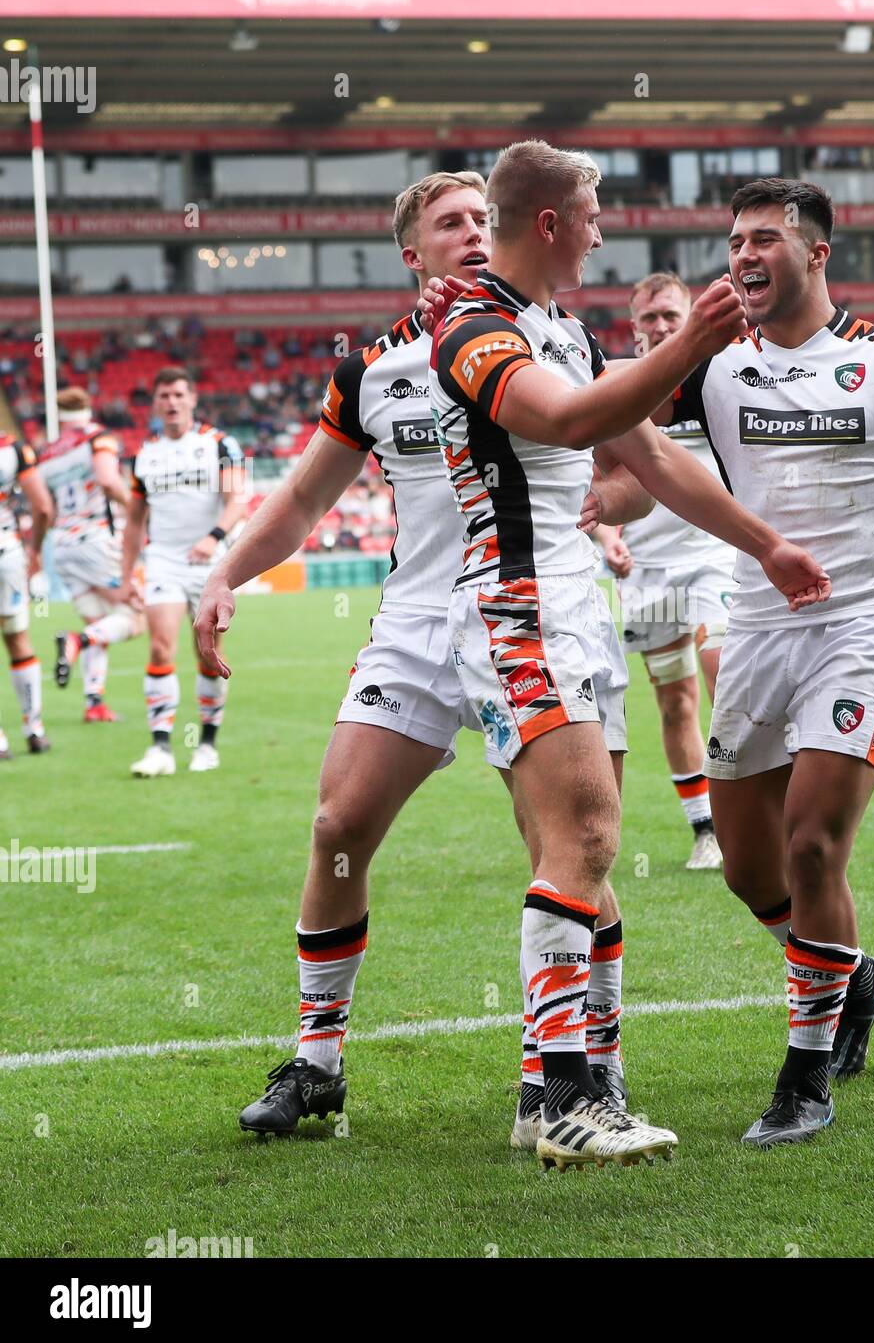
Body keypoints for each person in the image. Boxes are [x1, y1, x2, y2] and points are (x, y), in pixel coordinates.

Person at [196, 173, 650, 1141]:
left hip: (532, 603)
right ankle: (318, 1063)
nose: (474, 232)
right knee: (337, 824)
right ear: (413, 252)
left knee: (566, 841)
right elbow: (307, 501)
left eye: (485, 217)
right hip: (418, 623)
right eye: (451, 222)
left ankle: (561, 1080)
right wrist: (225, 572)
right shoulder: (372, 368)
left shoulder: (561, 339)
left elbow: (630, 471)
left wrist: (606, 508)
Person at [427, 141, 831, 1170]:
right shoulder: (469, 322)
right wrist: (688, 342)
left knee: (589, 861)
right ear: (553, 223)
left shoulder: (561, 327)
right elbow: (567, 423)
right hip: (518, 606)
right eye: (594, 216)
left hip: (574, 605)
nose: (604, 232)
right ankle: (566, 1102)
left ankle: (567, 1082)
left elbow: (652, 454)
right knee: (587, 837)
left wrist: (767, 545)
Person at [652, 178, 874, 1147]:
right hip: (759, 627)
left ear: (816, 253)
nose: (742, 255)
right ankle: (856, 975)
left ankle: (805, 1077)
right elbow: (624, 424)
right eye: (733, 240)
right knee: (745, 863)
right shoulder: (717, 365)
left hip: (862, 621)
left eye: (763, 238)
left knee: (814, 843)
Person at [611, 272, 738, 870]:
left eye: (670, 316)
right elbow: (594, 473)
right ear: (633, 327)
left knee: (723, 672)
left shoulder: (718, 374)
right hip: (647, 569)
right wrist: (607, 536)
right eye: (649, 319)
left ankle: (749, 809)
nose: (660, 327)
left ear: (689, 316)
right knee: (675, 701)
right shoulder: (619, 386)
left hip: (715, 555)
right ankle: (706, 829)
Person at [121, 368, 247, 777]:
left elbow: (237, 503)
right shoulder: (145, 454)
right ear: (155, 403)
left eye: (178, 394)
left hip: (211, 564)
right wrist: (126, 575)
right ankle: (160, 748)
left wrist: (213, 537)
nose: (171, 402)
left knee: (207, 654)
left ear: (192, 399)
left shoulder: (219, 444)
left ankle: (206, 744)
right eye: (164, 396)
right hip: (164, 561)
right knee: (160, 646)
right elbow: (134, 523)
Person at [43, 388, 146, 721]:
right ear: (86, 410)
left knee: (99, 622)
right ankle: (76, 641)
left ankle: (94, 703)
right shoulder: (97, 437)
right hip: (94, 538)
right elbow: (108, 480)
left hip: (62, 543)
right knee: (135, 616)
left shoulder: (48, 452)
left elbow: (45, 505)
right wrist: (135, 510)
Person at [0, 432, 54, 757]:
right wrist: (34, 549)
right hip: (7, 553)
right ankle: (34, 729)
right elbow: (43, 507)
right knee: (18, 638)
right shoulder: (13, 447)